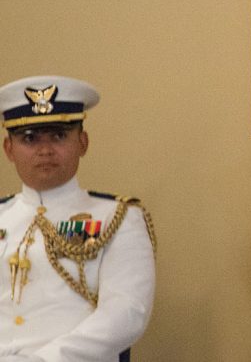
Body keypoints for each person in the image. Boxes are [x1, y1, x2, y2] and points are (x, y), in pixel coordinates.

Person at [0, 76, 156, 362]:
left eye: (59, 136)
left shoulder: (117, 218)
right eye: (29, 139)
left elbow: (127, 311)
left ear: (82, 142)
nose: (45, 150)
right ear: (8, 149)